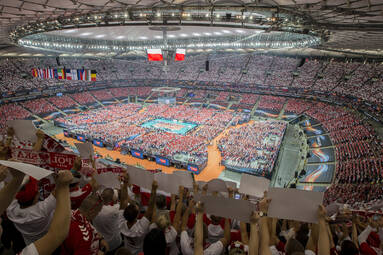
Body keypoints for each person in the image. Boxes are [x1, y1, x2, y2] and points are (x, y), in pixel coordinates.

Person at [19, 170, 73, 255]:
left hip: (29, 242)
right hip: (49, 242)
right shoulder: (42, 209)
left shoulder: (11, 210)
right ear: (36, 196)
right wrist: (71, 171)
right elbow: (60, 189)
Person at [93, 172, 131, 254]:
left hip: (100, 242)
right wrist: (124, 183)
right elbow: (125, 201)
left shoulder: (93, 207)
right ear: (113, 199)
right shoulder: (114, 209)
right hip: (114, 243)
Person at [119, 180, 157, 255]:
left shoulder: (121, 224)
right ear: (137, 216)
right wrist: (153, 190)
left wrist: (125, 183)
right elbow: (150, 210)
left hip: (127, 251)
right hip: (139, 252)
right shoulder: (140, 228)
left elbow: (123, 201)